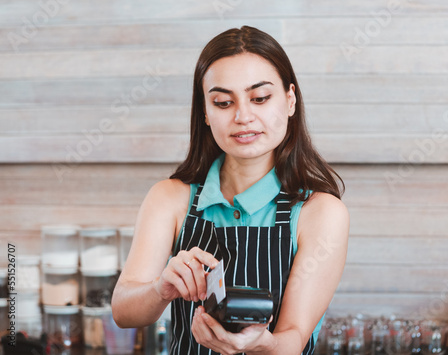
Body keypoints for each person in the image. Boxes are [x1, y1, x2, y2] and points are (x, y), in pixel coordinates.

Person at [111, 25, 349, 355]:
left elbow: (292, 337)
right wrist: (161, 288)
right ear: (206, 113)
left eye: (260, 98)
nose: (243, 116)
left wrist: (259, 344)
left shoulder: (320, 212)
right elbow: (123, 311)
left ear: (290, 100)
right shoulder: (170, 198)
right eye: (223, 103)